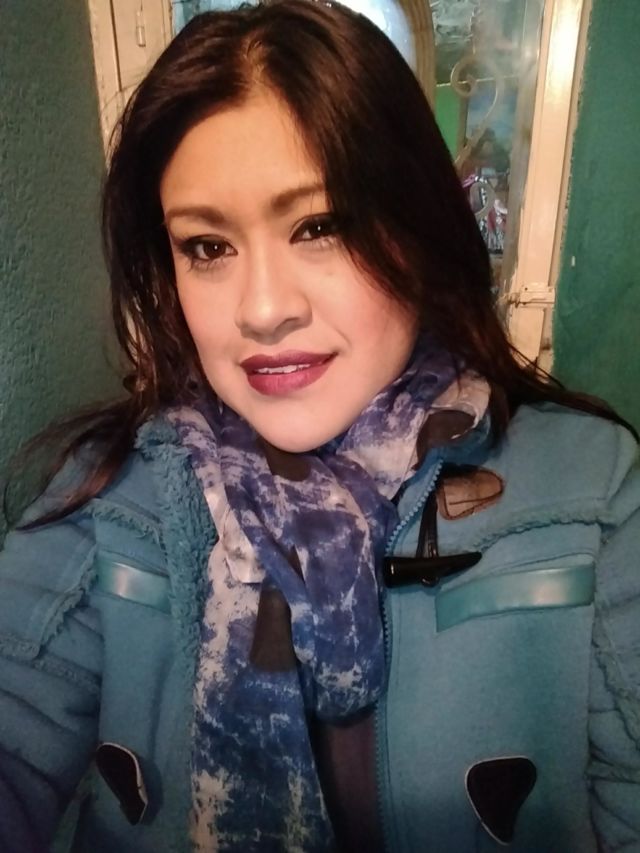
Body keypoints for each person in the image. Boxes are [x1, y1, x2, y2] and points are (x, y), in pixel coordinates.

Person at [0, 2, 638, 851]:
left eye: (321, 225)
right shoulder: (113, 493)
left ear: (417, 228)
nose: (263, 310)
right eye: (207, 247)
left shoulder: (593, 495)